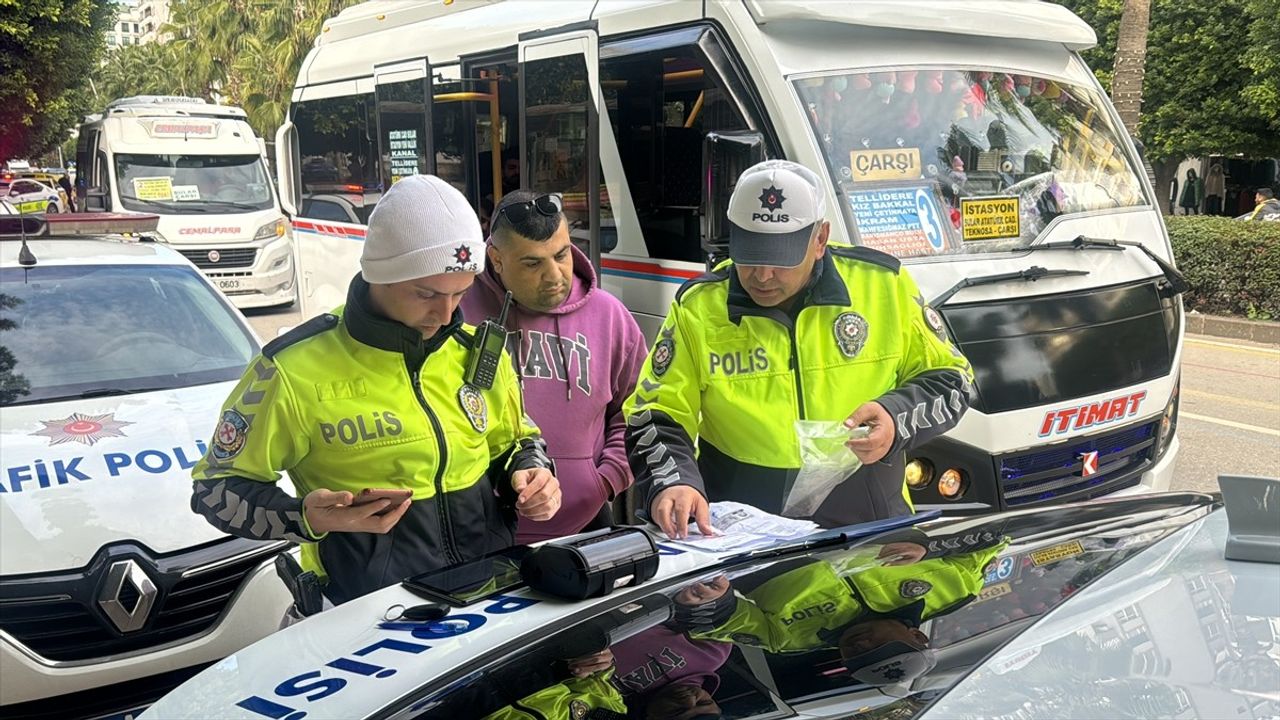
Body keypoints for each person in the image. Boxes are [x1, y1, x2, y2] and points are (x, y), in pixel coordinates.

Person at [190, 175, 560, 605]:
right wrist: (302, 515)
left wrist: (532, 474)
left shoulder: (476, 352)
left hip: (489, 597)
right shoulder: (290, 369)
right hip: (370, 617)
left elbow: (518, 440)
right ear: (379, 274)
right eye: (425, 294)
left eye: (459, 294)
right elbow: (215, 489)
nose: (444, 315)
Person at [624, 160, 973, 538]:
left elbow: (954, 380)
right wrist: (674, 480)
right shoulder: (699, 307)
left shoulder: (882, 286)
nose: (762, 275)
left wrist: (895, 417)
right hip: (739, 536)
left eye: (780, 257)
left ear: (820, 239)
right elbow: (654, 411)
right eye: (751, 253)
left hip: (871, 531)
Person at [461, 189, 647, 541]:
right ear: (496, 259)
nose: (554, 275)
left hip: (588, 522)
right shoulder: (459, 312)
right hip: (482, 532)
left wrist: (607, 479)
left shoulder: (609, 315)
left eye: (561, 255)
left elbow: (639, 408)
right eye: (532, 263)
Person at [676, 530, 1005, 687]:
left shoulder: (790, 640)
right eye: (879, 648)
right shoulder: (957, 590)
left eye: (859, 657)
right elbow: (995, 536)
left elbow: (721, 622)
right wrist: (929, 546)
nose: (861, 646)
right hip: (856, 503)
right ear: (917, 636)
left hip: (749, 536)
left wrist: (713, 603)